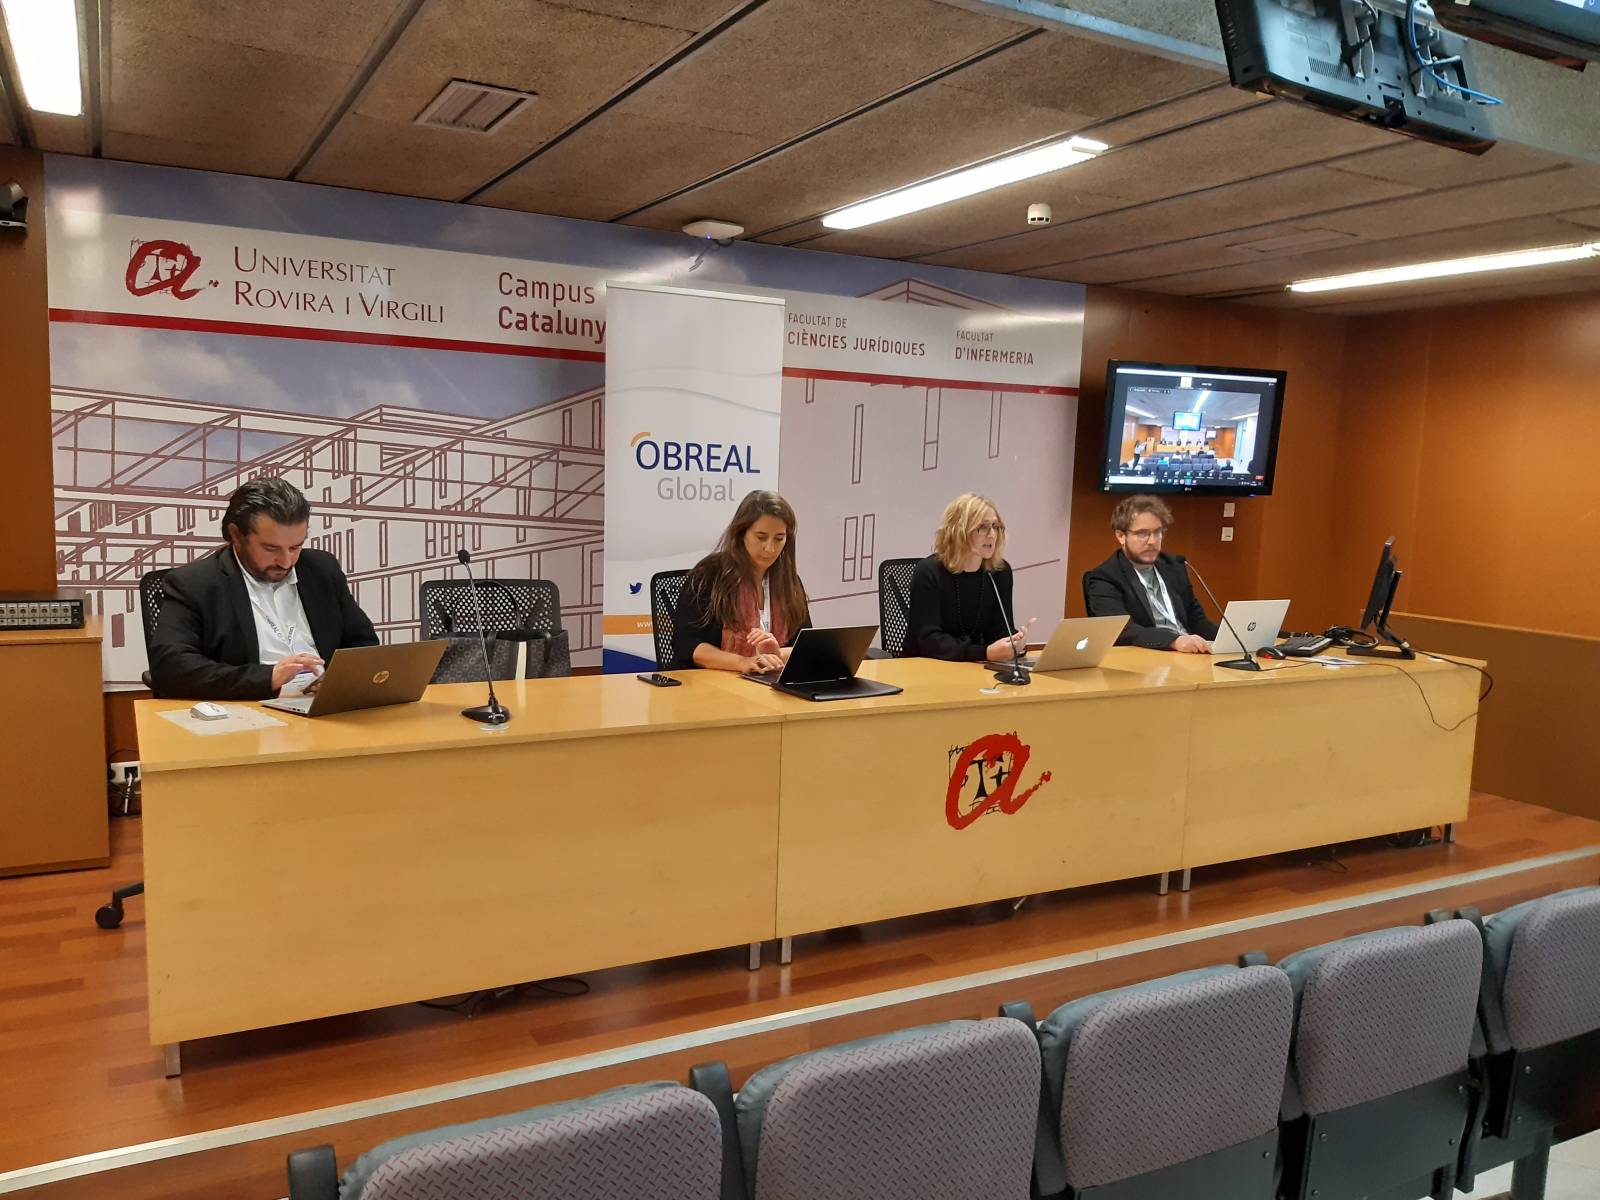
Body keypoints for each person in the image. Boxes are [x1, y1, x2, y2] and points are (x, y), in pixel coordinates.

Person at [148, 477, 379, 699]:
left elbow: (363, 643)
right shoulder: (194, 583)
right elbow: (171, 668)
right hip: (250, 708)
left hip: (324, 706)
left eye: (296, 547)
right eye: (271, 548)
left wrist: (338, 681)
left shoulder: (322, 570)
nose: (286, 561)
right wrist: (268, 678)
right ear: (237, 536)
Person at [672, 491, 810, 673]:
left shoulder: (789, 582)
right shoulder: (709, 574)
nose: (770, 548)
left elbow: (804, 646)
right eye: (761, 537)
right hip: (713, 685)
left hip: (768, 685)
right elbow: (688, 645)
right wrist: (742, 662)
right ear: (741, 533)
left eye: (779, 538)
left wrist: (777, 655)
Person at [907, 494, 1036, 662]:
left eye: (996, 527)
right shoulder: (929, 572)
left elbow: (999, 632)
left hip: (976, 667)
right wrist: (985, 653)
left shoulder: (999, 572)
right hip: (925, 669)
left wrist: (1014, 644)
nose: (992, 535)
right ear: (959, 531)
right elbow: (929, 642)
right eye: (983, 527)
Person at [1084, 494, 1218, 653]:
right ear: (1121, 536)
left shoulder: (1174, 566)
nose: (1152, 541)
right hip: (1149, 658)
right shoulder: (1105, 578)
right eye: (1142, 534)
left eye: (1157, 532)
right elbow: (1122, 630)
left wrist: (1233, 636)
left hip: (1189, 655)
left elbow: (1197, 621)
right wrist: (1174, 641)